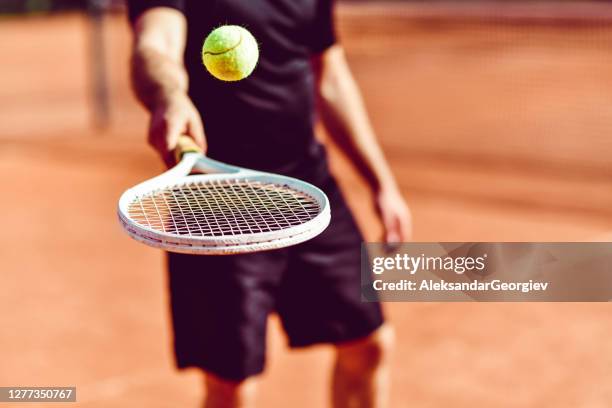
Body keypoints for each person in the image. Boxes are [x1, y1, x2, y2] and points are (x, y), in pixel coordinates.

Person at [127, 1, 411, 407]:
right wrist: (169, 96)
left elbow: (329, 76)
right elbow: (154, 45)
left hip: (306, 190)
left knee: (368, 343)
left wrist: (381, 182)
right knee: (231, 386)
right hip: (212, 204)